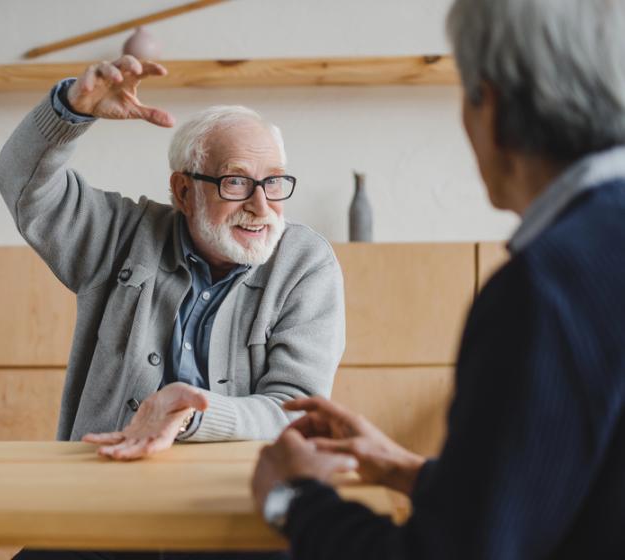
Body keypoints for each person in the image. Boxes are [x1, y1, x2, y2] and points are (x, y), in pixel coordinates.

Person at [251, 0, 625, 557]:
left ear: (489, 107)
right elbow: (564, 490)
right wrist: (409, 470)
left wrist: (294, 499)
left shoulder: (542, 290)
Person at [0, 56, 345, 463]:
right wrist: (70, 112)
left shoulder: (306, 264)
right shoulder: (118, 236)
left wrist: (190, 417)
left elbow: (296, 410)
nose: (260, 205)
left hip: (236, 489)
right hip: (104, 476)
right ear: (183, 192)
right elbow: (21, 183)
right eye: (236, 182)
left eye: (273, 182)